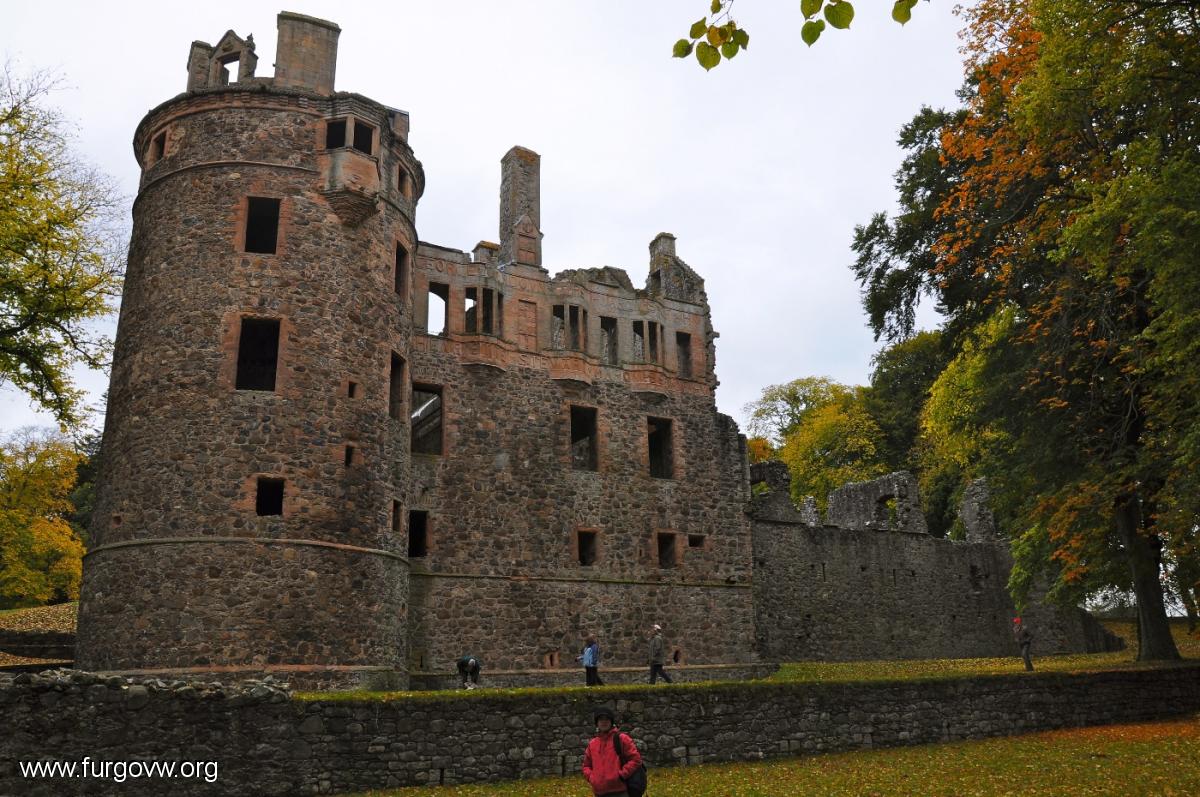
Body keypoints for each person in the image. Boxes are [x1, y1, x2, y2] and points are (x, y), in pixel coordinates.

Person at [582, 707, 643, 797]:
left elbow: (636, 759)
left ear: (611, 722)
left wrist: (622, 775)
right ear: (597, 723)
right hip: (599, 793)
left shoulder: (622, 738)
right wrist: (592, 778)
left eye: (607, 719)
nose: (604, 722)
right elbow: (586, 766)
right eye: (601, 719)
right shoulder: (592, 744)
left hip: (619, 792)